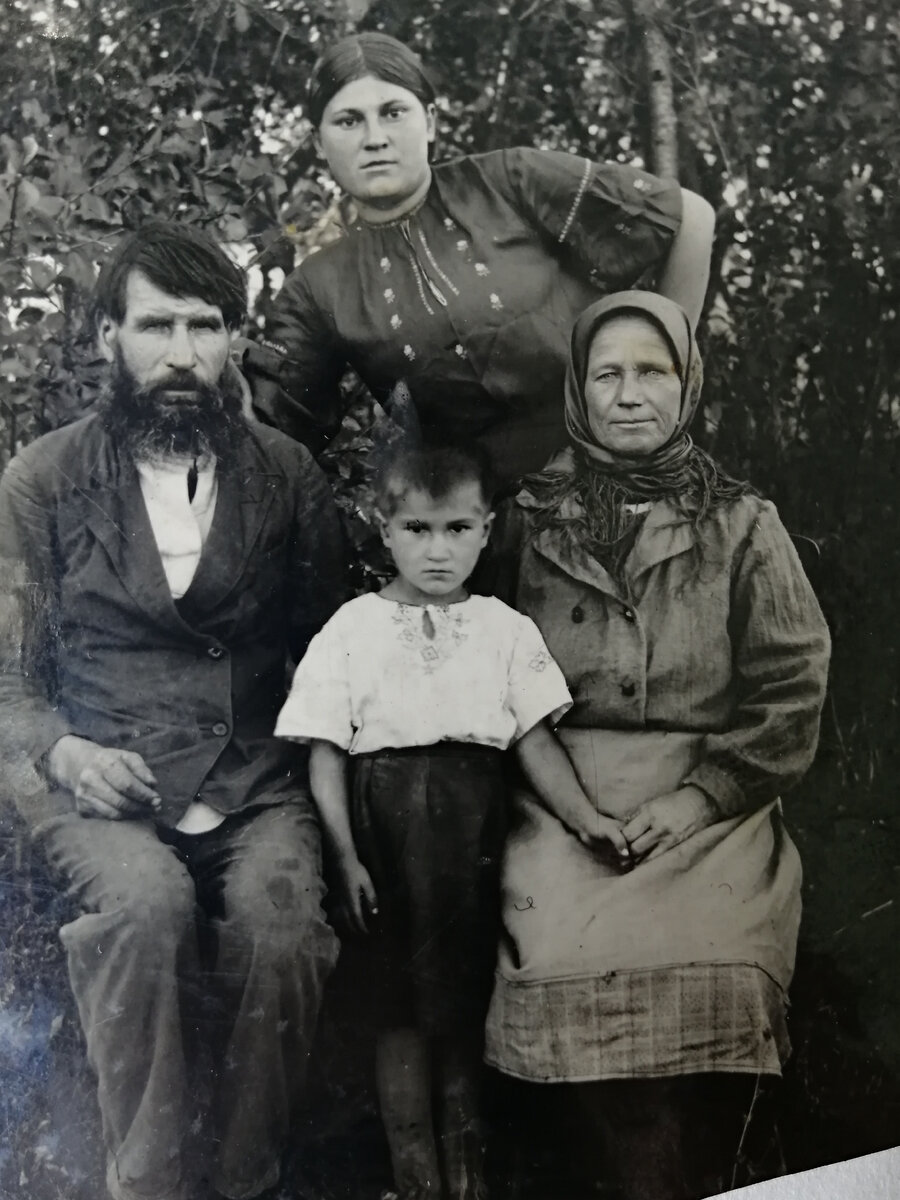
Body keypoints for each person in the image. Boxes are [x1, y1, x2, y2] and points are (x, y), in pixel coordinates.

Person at [0, 222, 349, 1200]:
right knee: (145, 909)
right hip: (95, 771)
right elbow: (4, 680)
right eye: (157, 326)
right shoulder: (43, 479)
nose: (183, 355)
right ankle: (146, 1185)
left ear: (237, 338)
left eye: (207, 326)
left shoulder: (287, 475)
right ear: (108, 336)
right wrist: (64, 752)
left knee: (280, 929)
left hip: (253, 774)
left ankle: (247, 1178)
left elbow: (327, 660)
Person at [478, 291, 832, 1200]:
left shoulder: (743, 523)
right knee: (560, 963)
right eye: (608, 374)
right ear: (579, 392)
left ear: (687, 386)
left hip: (710, 801)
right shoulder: (527, 520)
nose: (630, 394)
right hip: (563, 795)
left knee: (717, 971)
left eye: (653, 371)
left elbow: (791, 691)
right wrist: (578, 810)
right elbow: (495, 679)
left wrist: (694, 801)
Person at [274, 443, 624, 1200]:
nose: (439, 550)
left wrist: (584, 815)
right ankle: (415, 1173)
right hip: (384, 830)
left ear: (489, 530)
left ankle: (468, 1175)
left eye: (459, 529)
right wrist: (345, 856)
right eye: (419, 530)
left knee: (464, 1003)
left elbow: (534, 738)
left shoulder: (503, 630)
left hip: (471, 831)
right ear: (384, 529)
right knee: (398, 1009)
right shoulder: (351, 629)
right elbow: (326, 753)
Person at [247, 32, 716, 483]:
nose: (375, 139)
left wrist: (661, 382)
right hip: (482, 528)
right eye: (348, 121)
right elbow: (272, 432)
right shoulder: (318, 288)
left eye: (393, 112)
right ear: (317, 142)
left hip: (623, 477)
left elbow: (689, 219)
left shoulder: (508, 182)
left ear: (429, 121)